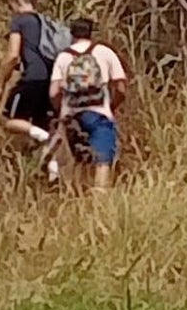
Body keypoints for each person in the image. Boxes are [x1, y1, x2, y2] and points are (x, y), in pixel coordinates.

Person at [49, 15, 128, 191]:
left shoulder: (63, 57)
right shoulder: (104, 52)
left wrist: (61, 111)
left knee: (78, 162)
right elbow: (121, 88)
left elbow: (54, 92)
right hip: (99, 115)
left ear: (72, 34)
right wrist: (112, 107)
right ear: (91, 32)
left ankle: (77, 200)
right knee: (102, 161)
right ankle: (99, 201)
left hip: (71, 116)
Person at [0, 0, 72, 176]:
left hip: (31, 78)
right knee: (41, 124)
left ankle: (47, 139)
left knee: (8, 120)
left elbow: (13, 55)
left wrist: (1, 81)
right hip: (51, 80)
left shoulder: (20, 21)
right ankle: (51, 173)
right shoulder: (47, 22)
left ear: (16, 4)